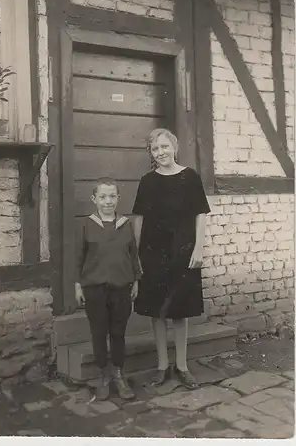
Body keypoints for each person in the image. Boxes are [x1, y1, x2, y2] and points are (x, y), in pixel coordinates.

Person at [132, 128, 210, 389]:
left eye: (165, 147)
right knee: (157, 310)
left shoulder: (190, 177)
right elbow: (139, 217)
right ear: (151, 154)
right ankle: (162, 365)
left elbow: (201, 213)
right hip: (153, 252)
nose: (161, 152)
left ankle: (183, 365)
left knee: (180, 310)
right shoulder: (147, 181)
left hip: (183, 250)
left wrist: (198, 248)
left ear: (174, 147)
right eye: (155, 149)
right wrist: (137, 254)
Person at [75, 177, 140, 401]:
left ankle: (119, 373)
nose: (108, 201)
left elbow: (133, 254)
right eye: (102, 197)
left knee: (118, 332)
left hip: (121, 286)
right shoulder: (86, 224)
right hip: (94, 288)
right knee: (99, 331)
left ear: (118, 198)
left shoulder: (125, 224)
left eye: (112, 196)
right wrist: (78, 285)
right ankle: (103, 374)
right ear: (94, 199)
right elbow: (79, 257)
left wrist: (136, 281)